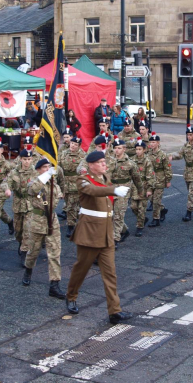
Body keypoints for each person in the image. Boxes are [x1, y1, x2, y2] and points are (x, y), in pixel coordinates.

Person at [65, 151, 133, 325]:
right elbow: (94, 191)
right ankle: (71, 295)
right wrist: (113, 189)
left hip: (106, 232)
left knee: (110, 274)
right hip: (89, 233)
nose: (104, 165)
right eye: (101, 162)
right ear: (91, 165)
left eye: (104, 162)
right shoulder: (83, 180)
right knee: (81, 269)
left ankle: (114, 311)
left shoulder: (105, 177)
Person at [21, 159, 65, 299]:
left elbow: (59, 196)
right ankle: (28, 270)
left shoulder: (54, 185)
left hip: (52, 221)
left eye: (49, 167)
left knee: (54, 253)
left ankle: (54, 284)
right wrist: (45, 176)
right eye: (44, 167)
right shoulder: (34, 182)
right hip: (37, 222)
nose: (48, 169)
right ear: (39, 169)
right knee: (33, 252)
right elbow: (31, 190)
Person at [109, 137, 143, 245]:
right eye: (115, 148)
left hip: (124, 191)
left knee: (118, 215)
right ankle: (124, 230)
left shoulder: (130, 163)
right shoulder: (109, 161)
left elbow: (137, 178)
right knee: (110, 215)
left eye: (119, 148)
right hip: (111, 190)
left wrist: (140, 190)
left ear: (124, 149)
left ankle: (115, 239)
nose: (117, 150)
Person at [7, 146, 37, 266]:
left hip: (30, 204)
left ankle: (25, 252)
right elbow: (7, 182)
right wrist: (8, 189)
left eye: (29, 159)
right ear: (21, 159)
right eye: (25, 159)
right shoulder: (14, 172)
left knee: (27, 229)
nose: (27, 162)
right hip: (18, 203)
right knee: (18, 230)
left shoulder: (36, 172)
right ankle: (20, 242)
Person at [59, 137, 86, 238]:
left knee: (71, 205)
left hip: (76, 183)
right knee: (69, 204)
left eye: (75, 144)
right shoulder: (64, 153)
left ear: (79, 146)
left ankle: (71, 225)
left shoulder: (83, 155)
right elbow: (59, 166)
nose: (73, 145)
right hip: (65, 182)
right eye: (72, 143)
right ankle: (80, 221)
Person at [130, 138, 154, 237]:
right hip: (134, 187)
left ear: (144, 150)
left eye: (140, 149)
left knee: (141, 208)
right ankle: (143, 219)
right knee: (133, 207)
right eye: (137, 149)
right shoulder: (132, 160)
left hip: (144, 187)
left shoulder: (147, 161)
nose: (138, 151)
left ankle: (139, 227)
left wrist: (149, 189)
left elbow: (151, 176)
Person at [147, 132, 172, 227]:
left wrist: (168, 180)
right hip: (150, 179)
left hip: (160, 179)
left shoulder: (163, 155)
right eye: (151, 142)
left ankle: (155, 219)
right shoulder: (148, 154)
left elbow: (168, 168)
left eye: (154, 142)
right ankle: (163, 209)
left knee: (156, 200)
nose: (152, 144)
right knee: (151, 199)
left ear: (158, 143)